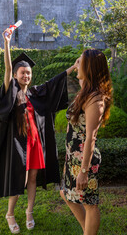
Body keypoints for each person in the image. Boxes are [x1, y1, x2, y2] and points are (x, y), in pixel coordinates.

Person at [0, 27, 76, 234]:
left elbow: (53, 83)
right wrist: (6, 43)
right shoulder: (10, 93)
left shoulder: (35, 93)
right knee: (18, 178)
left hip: (35, 144)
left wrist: (73, 68)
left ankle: (29, 211)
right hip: (18, 145)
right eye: (23, 73)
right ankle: (10, 214)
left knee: (32, 179)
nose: (26, 75)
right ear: (17, 75)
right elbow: (7, 70)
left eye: (29, 73)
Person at [60, 49, 113, 235]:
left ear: (89, 67)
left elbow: (91, 136)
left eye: (80, 62)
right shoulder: (85, 91)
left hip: (84, 159)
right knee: (65, 193)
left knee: (90, 203)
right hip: (72, 157)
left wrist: (84, 171)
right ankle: (86, 230)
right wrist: (76, 65)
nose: (76, 65)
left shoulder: (95, 98)